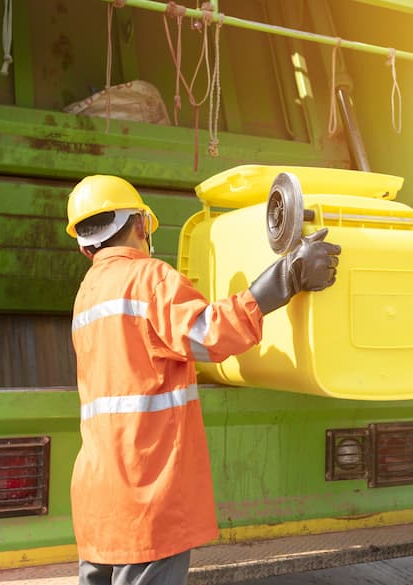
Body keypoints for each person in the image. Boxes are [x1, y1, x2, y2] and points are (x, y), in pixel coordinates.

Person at [64, 174, 341, 585]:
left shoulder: (88, 292)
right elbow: (208, 334)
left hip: (100, 495)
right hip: (149, 494)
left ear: (86, 243)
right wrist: (287, 277)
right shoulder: (148, 279)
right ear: (141, 224)